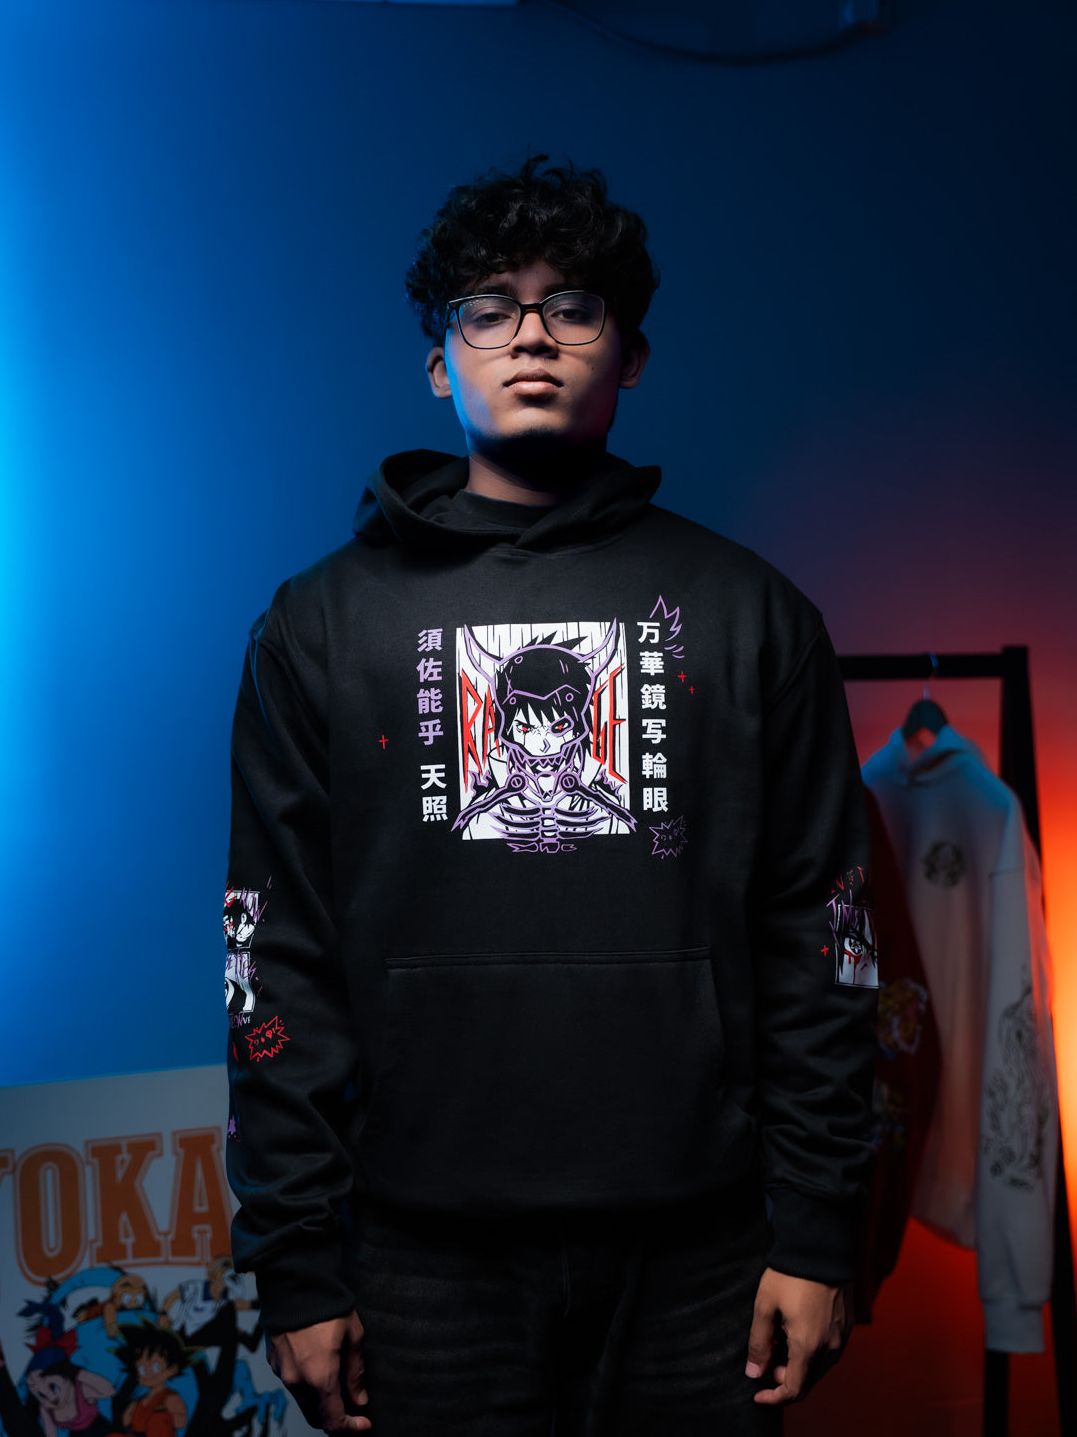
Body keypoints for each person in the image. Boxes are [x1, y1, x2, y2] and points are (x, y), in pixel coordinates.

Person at [224, 155, 877, 1436]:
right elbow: (272, 949)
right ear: (439, 361)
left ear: (631, 355)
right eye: (488, 306)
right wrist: (294, 1254)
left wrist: (819, 1227)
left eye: (572, 304)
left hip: (705, 1248)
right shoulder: (319, 625)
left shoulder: (750, 613)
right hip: (418, 1252)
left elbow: (825, 930)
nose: (531, 334)